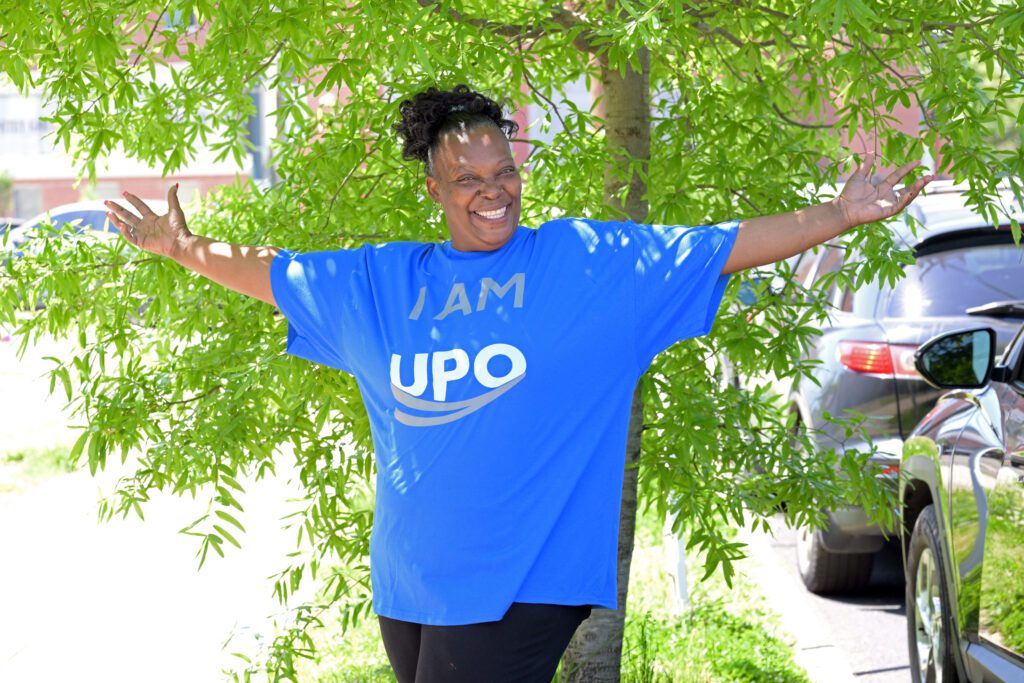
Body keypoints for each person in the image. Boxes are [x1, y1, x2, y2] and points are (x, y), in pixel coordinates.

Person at [103, 84, 933, 682]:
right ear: (435, 190)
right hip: (409, 580)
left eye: (504, 171)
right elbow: (278, 274)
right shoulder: (384, 282)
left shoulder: (587, 265)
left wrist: (837, 213)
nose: (493, 191)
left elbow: (716, 245)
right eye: (469, 180)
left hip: (522, 578)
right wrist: (185, 249)